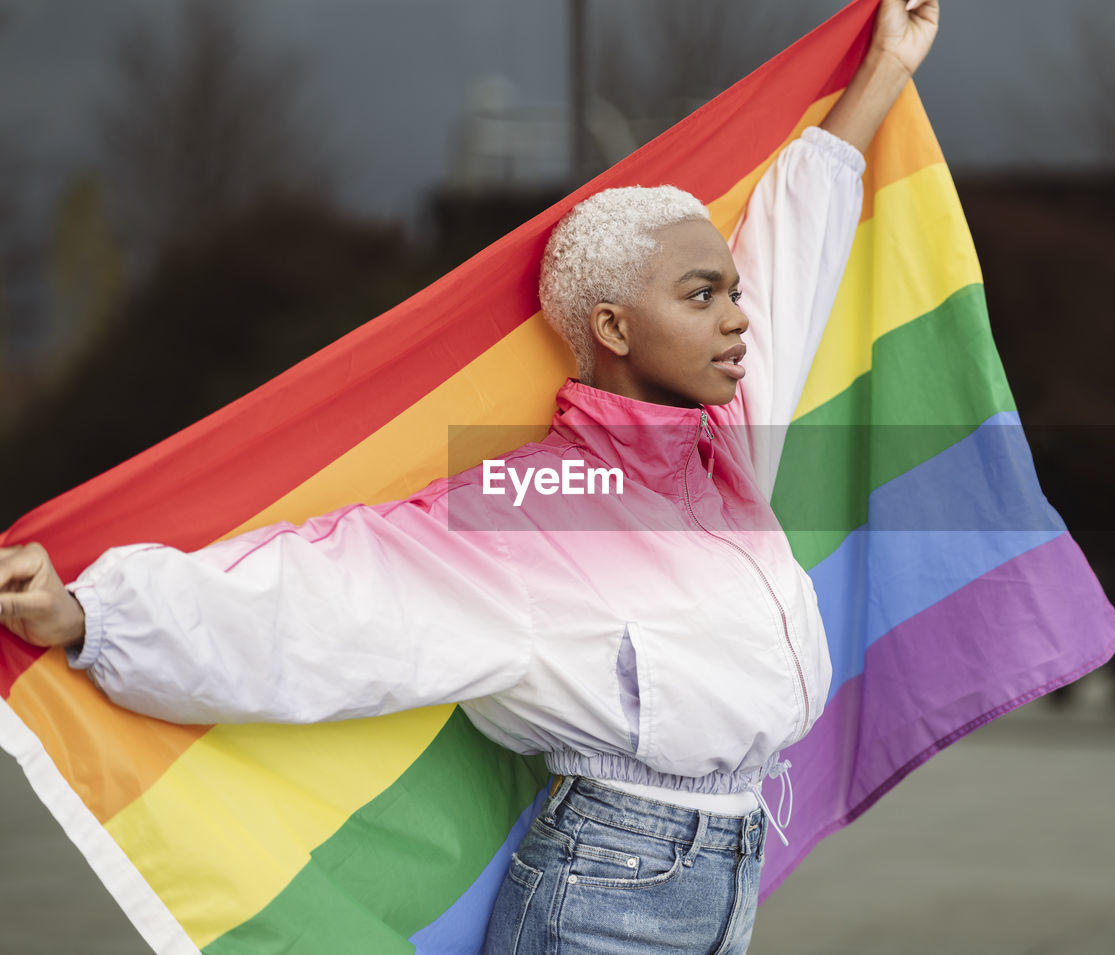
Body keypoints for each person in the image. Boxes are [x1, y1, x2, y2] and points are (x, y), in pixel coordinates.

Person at [0, 2, 939, 951]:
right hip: (611, 886)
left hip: (726, 868)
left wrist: (883, 73)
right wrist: (92, 614)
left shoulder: (725, 452)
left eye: (730, 291)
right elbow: (327, 594)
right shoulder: (534, 506)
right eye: (701, 294)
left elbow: (795, 251)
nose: (738, 316)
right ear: (612, 328)